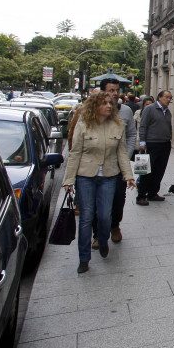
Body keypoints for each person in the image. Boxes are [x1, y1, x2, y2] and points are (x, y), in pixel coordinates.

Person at [61, 92, 137, 273]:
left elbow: (122, 153)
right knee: (86, 217)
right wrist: (69, 179)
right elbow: (75, 153)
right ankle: (84, 258)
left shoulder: (117, 126)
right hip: (86, 176)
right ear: (95, 105)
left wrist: (129, 176)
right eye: (104, 103)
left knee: (104, 216)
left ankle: (103, 240)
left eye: (111, 103)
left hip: (109, 176)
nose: (109, 106)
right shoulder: (83, 125)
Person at [93, 79, 137, 246]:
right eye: (111, 90)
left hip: (118, 164)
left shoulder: (125, 111)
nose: (115, 93)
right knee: (96, 201)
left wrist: (127, 154)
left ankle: (114, 225)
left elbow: (132, 134)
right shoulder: (92, 111)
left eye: (117, 90)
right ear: (103, 92)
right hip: (97, 165)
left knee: (119, 197)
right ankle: (97, 234)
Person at [136, 90, 173, 205]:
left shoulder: (168, 112)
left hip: (164, 144)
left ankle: (153, 193)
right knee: (146, 171)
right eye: (166, 97)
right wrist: (142, 142)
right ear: (159, 98)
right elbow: (143, 126)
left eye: (170, 98)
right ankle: (141, 195)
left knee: (159, 170)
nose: (168, 100)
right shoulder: (150, 109)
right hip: (151, 143)